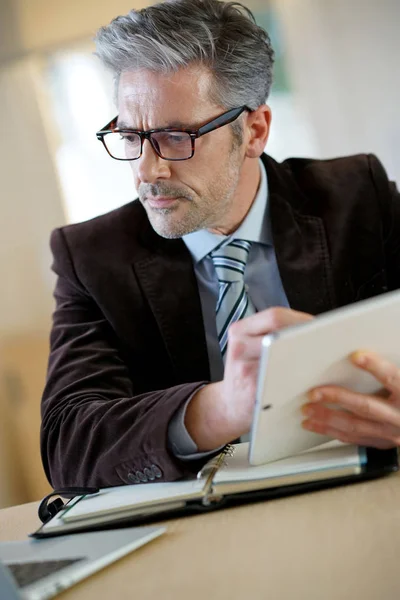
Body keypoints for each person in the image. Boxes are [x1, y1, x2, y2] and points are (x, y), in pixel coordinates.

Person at [41, 0, 400, 489]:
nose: (147, 170)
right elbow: (69, 446)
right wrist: (225, 405)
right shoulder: (91, 256)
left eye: (174, 136)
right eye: (131, 136)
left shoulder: (361, 196)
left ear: (253, 131)